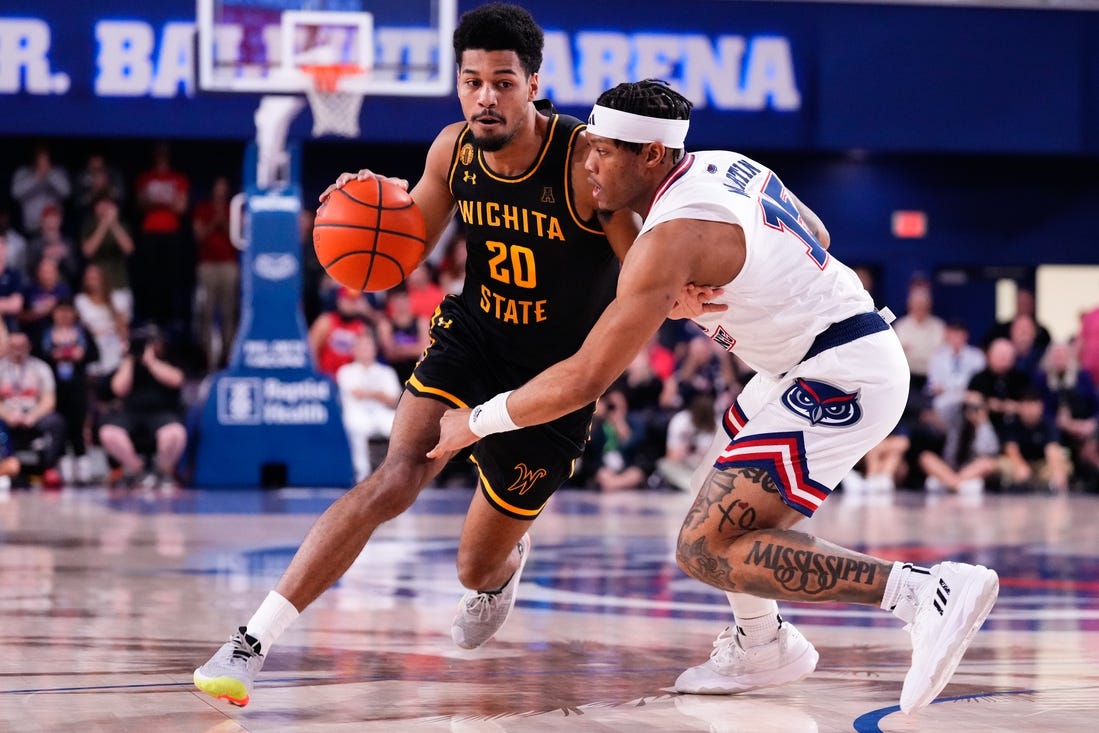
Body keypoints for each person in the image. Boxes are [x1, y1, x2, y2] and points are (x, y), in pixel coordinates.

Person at [191, 5, 714, 709]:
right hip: (473, 336)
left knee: (473, 567)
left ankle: (498, 573)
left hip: (554, 379)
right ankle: (251, 640)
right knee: (395, 476)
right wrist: (363, 205)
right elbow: (401, 245)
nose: (485, 97)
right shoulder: (452, 149)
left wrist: (683, 296)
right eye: (471, 81)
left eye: (502, 81)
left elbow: (642, 276)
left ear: (533, 83)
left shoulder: (585, 162)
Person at [430, 79, 999, 715]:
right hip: (804, 361)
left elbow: (588, 376)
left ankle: (924, 592)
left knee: (708, 548)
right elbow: (818, 233)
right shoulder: (721, 164)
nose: (586, 162)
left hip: (842, 370)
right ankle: (763, 645)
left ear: (649, 157)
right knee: (712, 483)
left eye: (603, 152)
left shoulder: (670, 239)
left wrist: (477, 422)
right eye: (587, 148)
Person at [97, 325, 186, 489]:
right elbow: (119, 389)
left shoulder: (169, 361)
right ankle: (136, 470)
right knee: (109, 433)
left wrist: (151, 362)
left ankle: (163, 472)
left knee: (175, 433)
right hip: (130, 413)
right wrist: (129, 359)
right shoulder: (127, 364)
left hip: (161, 412)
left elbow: (177, 380)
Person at [0, 330, 66, 487]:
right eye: (13, 346)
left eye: (21, 346)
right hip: (7, 414)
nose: (17, 350)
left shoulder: (41, 368)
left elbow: (49, 400)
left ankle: (48, 468)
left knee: (57, 423)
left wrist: (33, 416)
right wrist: (8, 414)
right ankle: (6, 464)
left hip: (34, 413)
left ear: (29, 347)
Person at [335, 331, 402, 481]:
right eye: (361, 346)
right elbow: (356, 393)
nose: (365, 350)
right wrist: (380, 394)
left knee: (401, 428)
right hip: (357, 414)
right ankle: (362, 474)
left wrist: (371, 394)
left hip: (382, 413)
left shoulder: (386, 372)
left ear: (374, 349)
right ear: (354, 350)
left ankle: (398, 472)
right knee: (357, 427)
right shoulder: (345, 372)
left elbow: (394, 399)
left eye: (368, 346)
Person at [192, 176, 240, 371]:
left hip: (228, 265)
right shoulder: (202, 209)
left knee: (229, 312)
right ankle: (207, 360)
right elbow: (199, 236)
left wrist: (225, 221)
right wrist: (214, 221)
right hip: (207, 266)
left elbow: (237, 237)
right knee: (206, 313)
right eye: (217, 188)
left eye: (223, 188)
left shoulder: (234, 209)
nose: (220, 192)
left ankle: (228, 359)